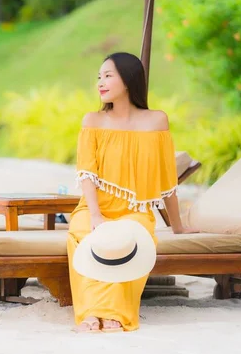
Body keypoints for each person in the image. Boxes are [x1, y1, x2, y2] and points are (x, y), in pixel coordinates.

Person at [68, 52, 198, 333]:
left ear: (128, 79)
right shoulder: (93, 121)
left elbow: (167, 183)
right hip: (94, 208)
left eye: (107, 75)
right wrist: (95, 214)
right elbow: (87, 175)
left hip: (135, 211)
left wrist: (178, 227)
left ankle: (114, 315)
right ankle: (91, 314)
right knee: (87, 236)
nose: (100, 83)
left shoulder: (156, 121)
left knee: (130, 240)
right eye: (98, 78)